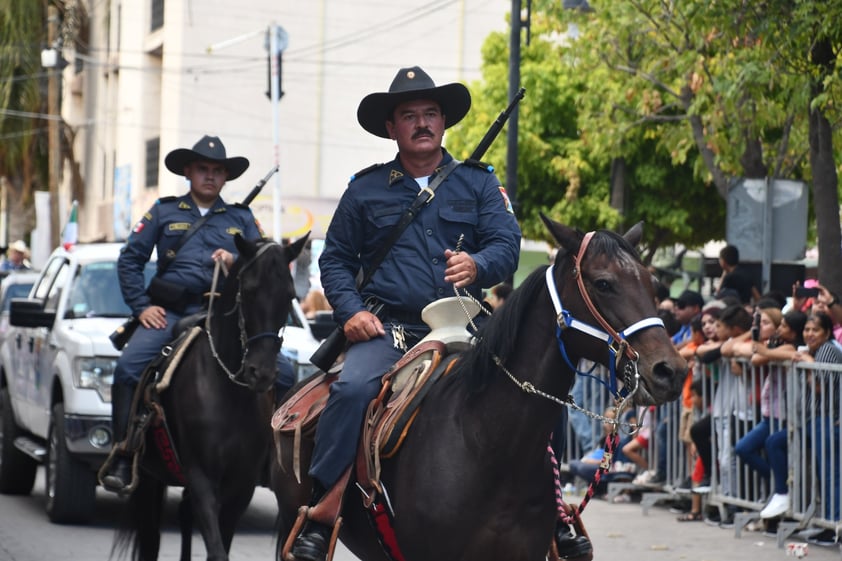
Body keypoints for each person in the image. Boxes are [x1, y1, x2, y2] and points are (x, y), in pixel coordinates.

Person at [289, 66, 522, 561]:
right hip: (389, 329)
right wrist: (350, 312)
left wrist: (478, 263)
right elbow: (335, 260)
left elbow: (507, 246)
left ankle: (556, 516)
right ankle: (323, 511)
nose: (422, 123)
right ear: (391, 128)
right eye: (409, 115)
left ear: (444, 122)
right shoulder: (365, 189)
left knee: (527, 387)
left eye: (431, 113)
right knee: (351, 391)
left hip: (463, 323)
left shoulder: (480, 184)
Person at [101, 135, 285, 494]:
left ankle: (268, 456)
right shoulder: (164, 211)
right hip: (171, 312)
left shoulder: (241, 217)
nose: (210, 177)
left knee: (285, 373)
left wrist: (237, 259)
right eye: (203, 169)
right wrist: (141, 307)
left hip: (225, 315)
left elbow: (266, 261)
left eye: (218, 171)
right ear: (189, 171)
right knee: (128, 369)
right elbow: (130, 260)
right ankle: (125, 452)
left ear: (226, 178)